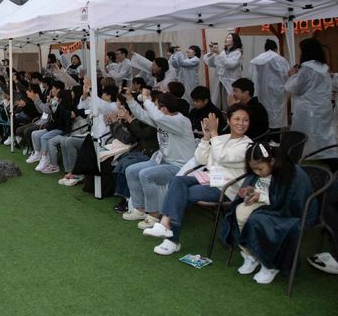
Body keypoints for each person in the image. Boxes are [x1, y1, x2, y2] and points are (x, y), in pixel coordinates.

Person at [142, 105, 252, 256]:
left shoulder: (247, 145)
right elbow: (201, 158)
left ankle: (171, 238)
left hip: (227, 187)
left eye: (245, 120)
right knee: (178, 181)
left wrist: (213, 133)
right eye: (237, 119)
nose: (241, 123)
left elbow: (222, 156)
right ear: (229, 120)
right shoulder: (221, 138)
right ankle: (165, 224)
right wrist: (206, 137)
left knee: (185, 192)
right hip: (210, 179)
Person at [220, 143, 316, 284]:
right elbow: (260, 187)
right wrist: (249, 192)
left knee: (257, 220)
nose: (257, 172)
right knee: (238, 212)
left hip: (290, 212)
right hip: (267, 205)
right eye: (253, 169)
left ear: (272, 161)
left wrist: (260, 197)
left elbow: (290, 203)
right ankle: (252, 254)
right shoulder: (262, 169)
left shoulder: (291, 174)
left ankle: (270, 264)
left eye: (259, 169)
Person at [123, 88, 194, 230]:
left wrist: (145, 99)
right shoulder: (164, 119)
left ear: (164, 109)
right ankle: (140, 209)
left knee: (146, 175)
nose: (154, 108)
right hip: (163, 161)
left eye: (157, 106)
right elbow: (143, 116)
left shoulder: (180, 121)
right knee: (131, 170)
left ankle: (154, 215)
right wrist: (130, 99)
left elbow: (157, 117)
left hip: (180, 166)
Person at [285, 38, 338, 159]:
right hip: (323, 107)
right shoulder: (324, 67)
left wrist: (292, 75)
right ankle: (327, 156)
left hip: (308, 109)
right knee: (323, 134)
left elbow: (296, 88)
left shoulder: (307, 68)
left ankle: (310, 158)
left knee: (308, 137)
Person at [250, 39, 290, 131]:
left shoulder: (258, 59)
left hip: (262, 91)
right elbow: (287, 74)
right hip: (277, 92)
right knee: (277, 115)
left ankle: (266, 136)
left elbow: (252, 74)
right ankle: (275, 138)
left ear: (265, 48)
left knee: (264, 113)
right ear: (276, 48)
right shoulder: (280, 59)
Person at [203, 32, 243, 110]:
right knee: (218, 101)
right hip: (220, 80)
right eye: (226, 37)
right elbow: (211, 63)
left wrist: (218, 53)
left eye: (229, 38)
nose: (226, 39)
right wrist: (212, 52)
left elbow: (231, 64)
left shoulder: (238, 52)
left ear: (234, 41)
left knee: (230, 102)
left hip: (230, 81)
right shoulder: (223, 52)